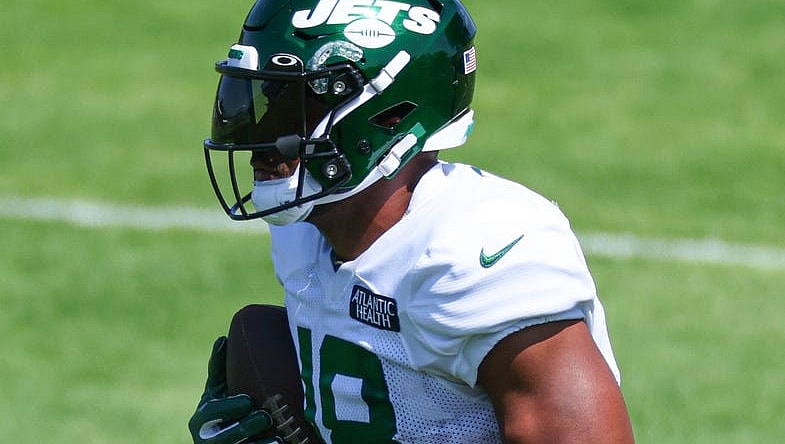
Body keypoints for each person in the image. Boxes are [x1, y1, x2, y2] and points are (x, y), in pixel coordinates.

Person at [189, 0, 635, 442]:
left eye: (293, 107)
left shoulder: (475, 251)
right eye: (261, 98)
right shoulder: (303, 238)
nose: (257, 137)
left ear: (389, 114)